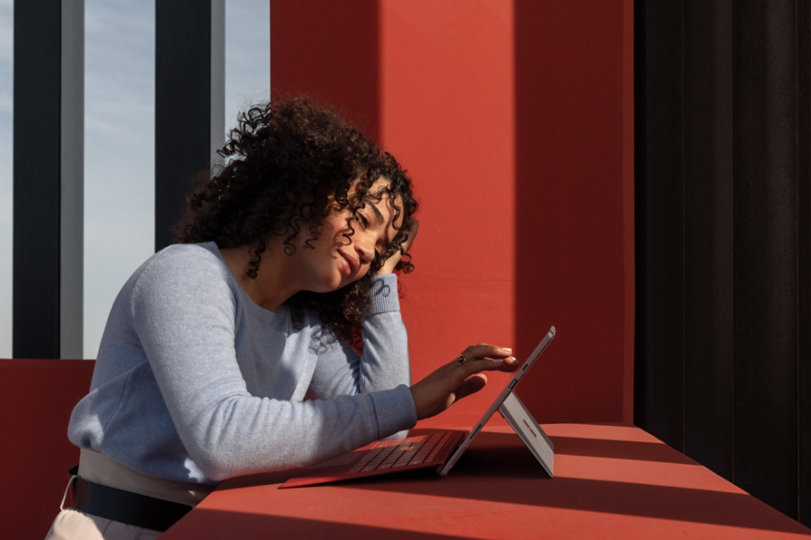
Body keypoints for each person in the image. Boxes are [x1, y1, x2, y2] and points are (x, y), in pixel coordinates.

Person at [46, 98, 517, 539]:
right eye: (365, 217)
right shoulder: (186, 274)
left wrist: (383, 282)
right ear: (307, 190)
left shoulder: (303, 321)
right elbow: (222, 438)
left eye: (384, 246)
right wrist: (410, 401)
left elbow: (385, 423)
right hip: (122, 528)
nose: (370, 248)